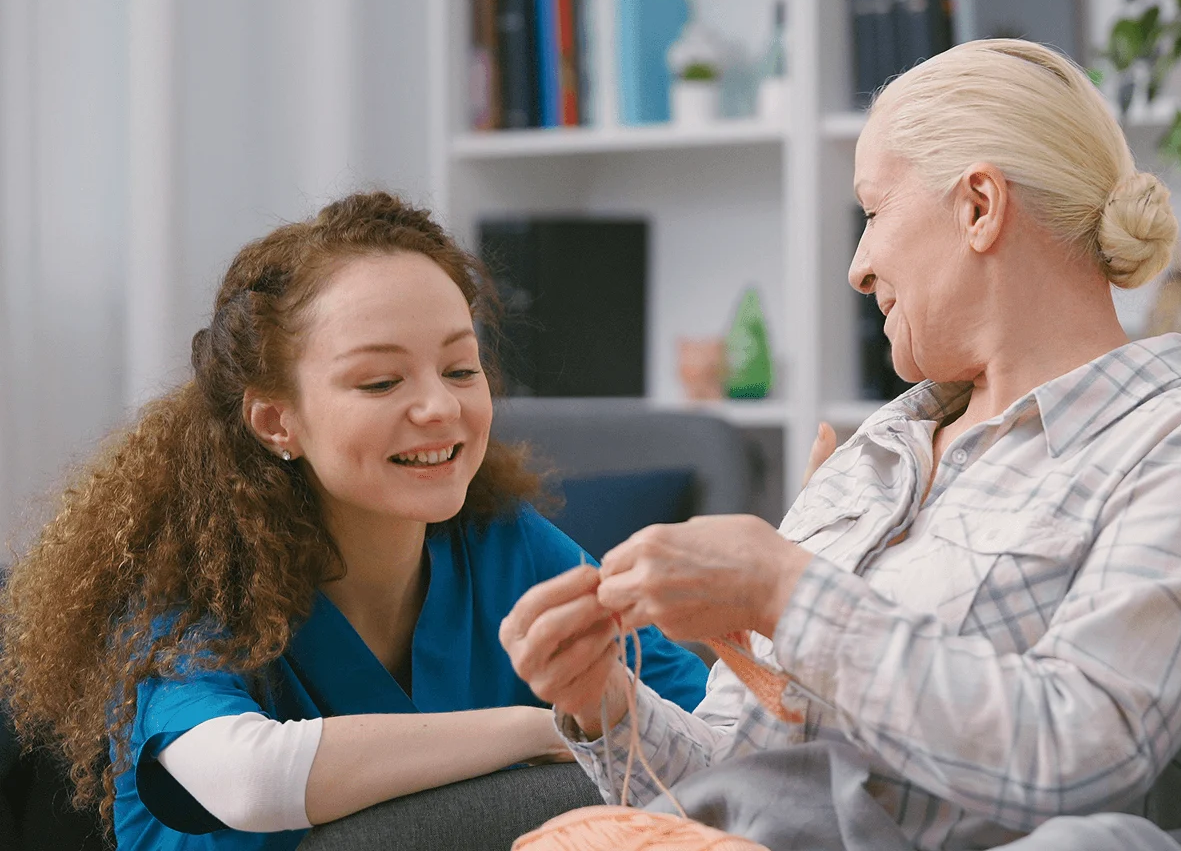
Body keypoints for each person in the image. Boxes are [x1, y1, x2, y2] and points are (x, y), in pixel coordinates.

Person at [500, 39, 1181, 849]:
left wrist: (787, 590)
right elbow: (734, 778)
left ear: (979, 205)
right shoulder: (875, 456)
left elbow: (1084, 750)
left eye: (873, 212)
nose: (857, 265)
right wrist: (605, 701)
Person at [0, 193, 709, 851]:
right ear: (277, 420)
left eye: (461, 370)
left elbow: (704, 725)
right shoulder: (191, 586)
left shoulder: (504, 544)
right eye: (381, 381)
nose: (439, 407)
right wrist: (540, 730)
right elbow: (245, 781)